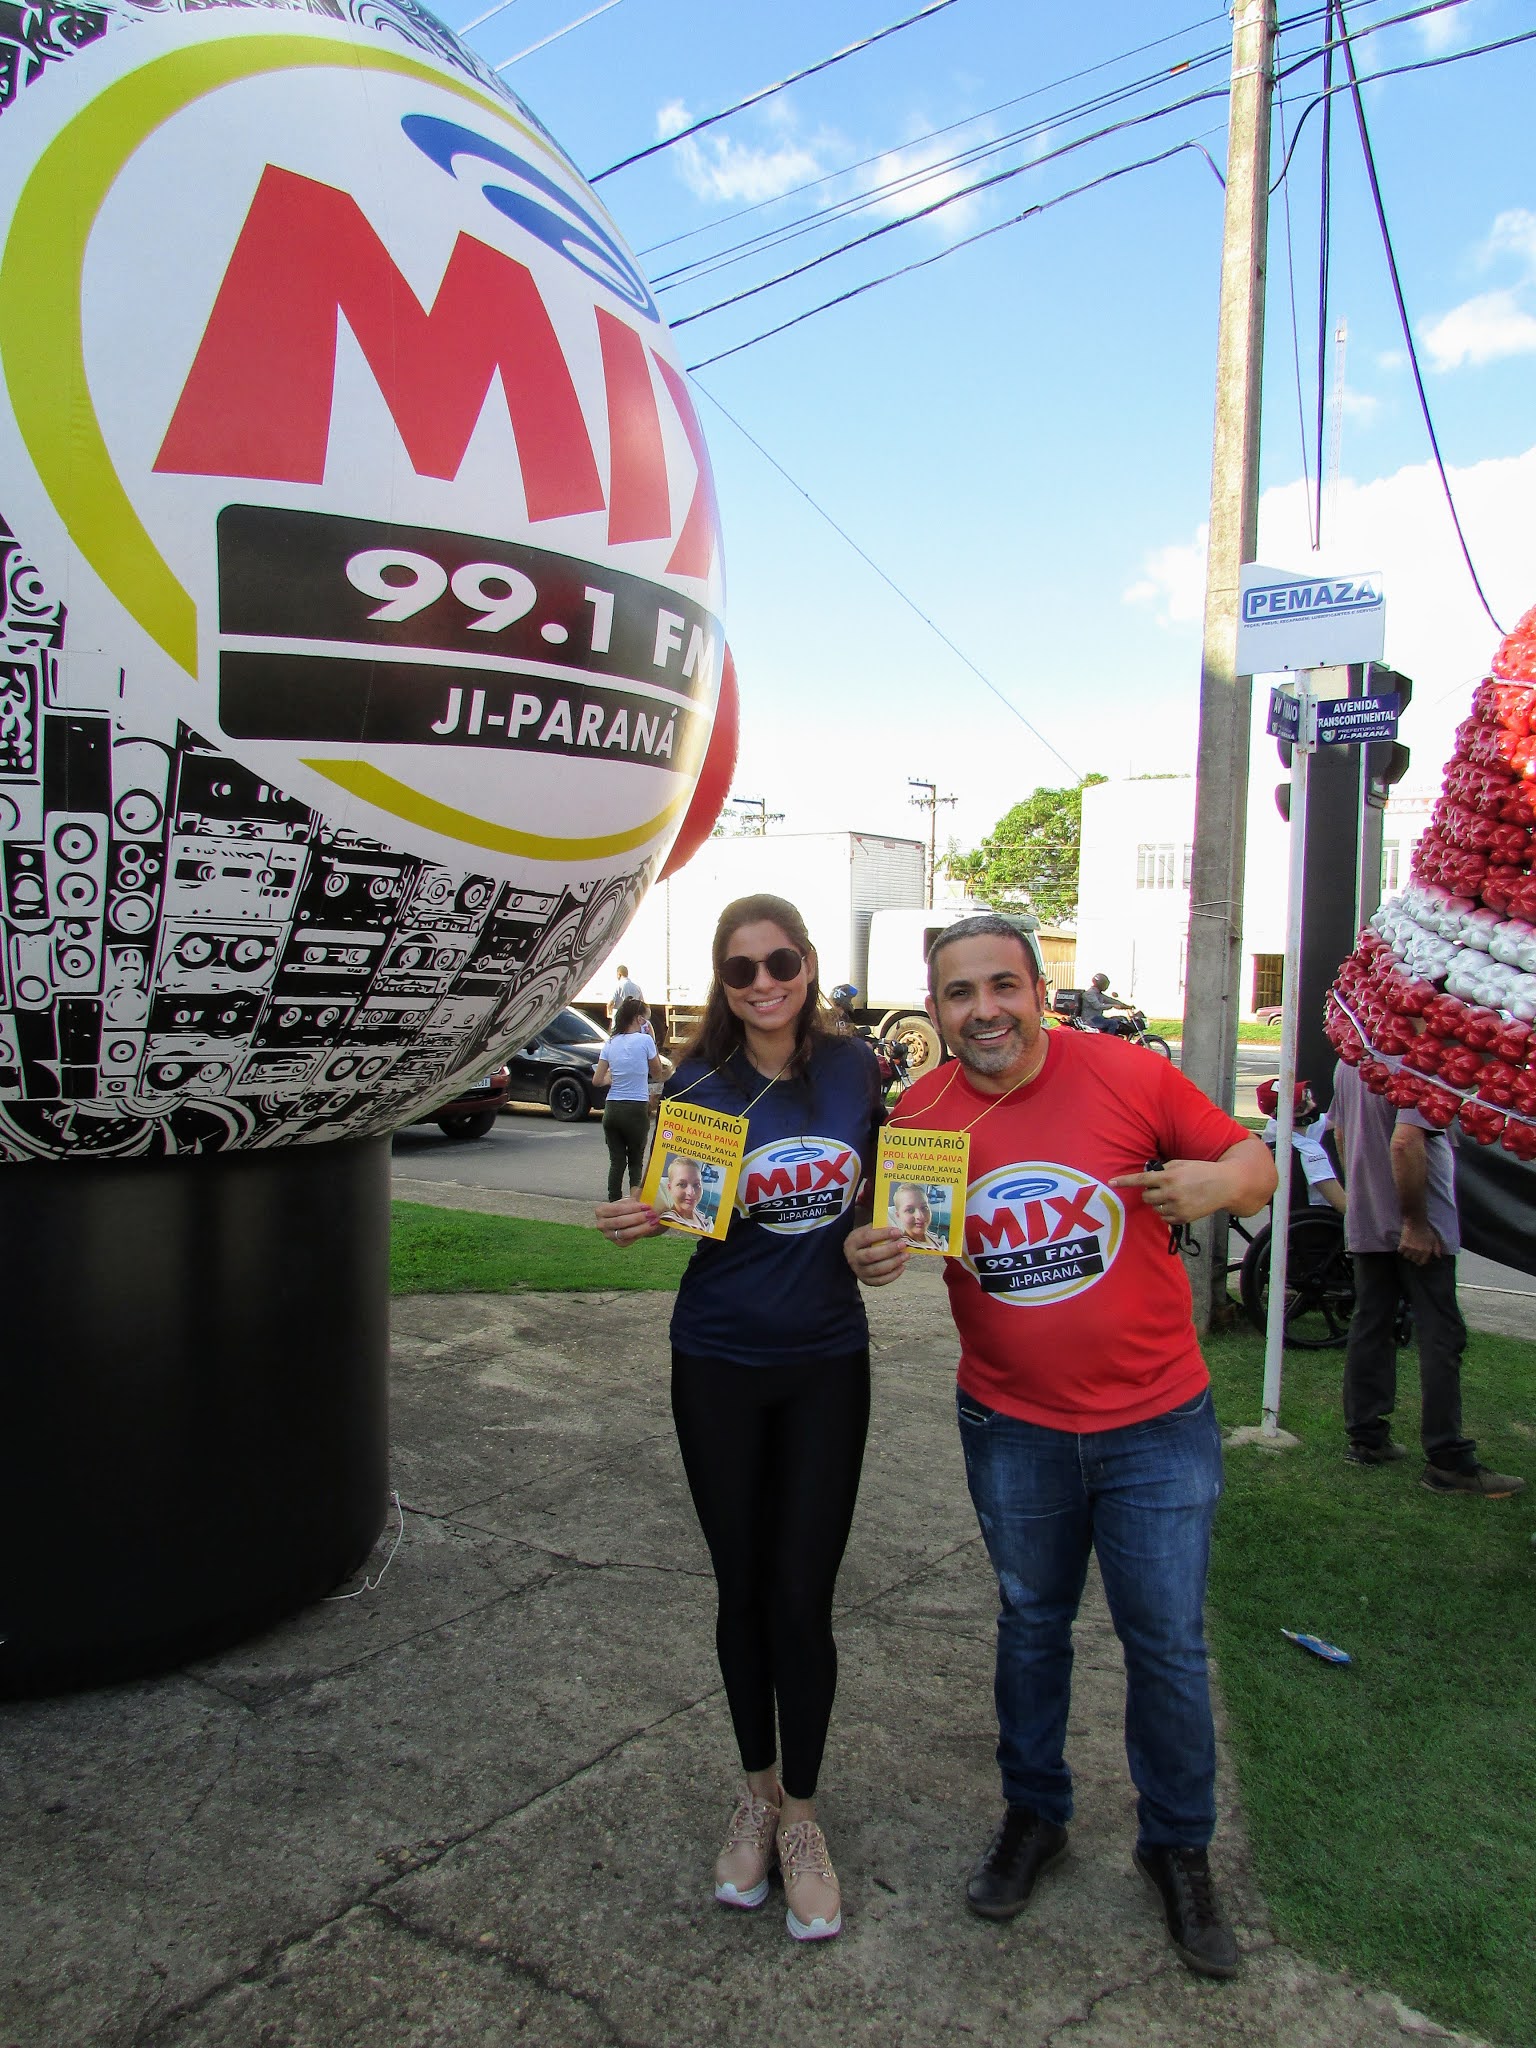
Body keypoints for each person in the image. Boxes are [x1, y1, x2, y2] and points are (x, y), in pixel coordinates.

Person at [844, 913, 1276, 1980]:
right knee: (1032, 1627)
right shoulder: (920, 1114)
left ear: (1040, 991)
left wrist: (1221, 1185)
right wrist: (873, 1253)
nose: (983, 1009)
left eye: (1003, 985)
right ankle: (1035, 1815)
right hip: (1013, 1426)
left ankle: (1177, 1846)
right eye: (959, 992)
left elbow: (1254, 1157)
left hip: (1156, 1422)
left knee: (1165, 1642)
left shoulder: (1129, 1073)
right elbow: (903, 1233)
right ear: (934, 1009)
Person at [595, 894, 885, 1943]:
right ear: (722, 984)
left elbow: (876, 1201)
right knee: (743, 1588)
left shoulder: (856, 1070)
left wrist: (877, 1242)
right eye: (741, 969)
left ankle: (802, 1817)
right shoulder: (699, 1084)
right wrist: (649, 1217)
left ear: (808, 963)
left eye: (781, 962)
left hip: (826, 1363)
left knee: (803, 1596)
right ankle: (755, 1794)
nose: (765, 984)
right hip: (717, 1359)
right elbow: (691, 1208)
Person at [1327, 1059, 1526, 1496]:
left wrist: (1364, 1200)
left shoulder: (1352, 1058)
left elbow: (1340, 1134)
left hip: (1370, 1220)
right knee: (1441, 1335)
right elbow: (1405, 1142)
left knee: (1371, 1326)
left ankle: (1366, 1439)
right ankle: (1448, 1459)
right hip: (1420, 1229)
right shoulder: (1418, 1062)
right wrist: (1415, 1223)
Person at [593, 996, 664, 1204]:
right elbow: (657, 1072)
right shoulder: (645, 1041)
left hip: (612, 1108)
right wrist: (652, 1038)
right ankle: (634, 1204)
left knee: (616, 1162)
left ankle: (613, 1202)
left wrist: (610, 1077)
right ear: (640, 1019)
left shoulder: (611, 1042)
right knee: (635, 1162)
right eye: (646, 1019)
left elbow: (597, 1080)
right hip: (636, 1108)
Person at [1255, 1078, 1345, 1214]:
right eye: (1301, 1107)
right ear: (1284, 1116)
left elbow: (1331, 1120)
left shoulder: (1274, 1129)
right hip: (1319, 1217)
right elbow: (1343, 1205)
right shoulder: (1310, 1152)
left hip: (1289, 1215)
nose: (1312, 1104)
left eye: (1307, 1095)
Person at [655, 1152, 712, 1232]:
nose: (691, 1192)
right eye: (682, 1184)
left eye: (696, 1184)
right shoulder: (671, 1219)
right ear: (670, 1188)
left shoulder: (699, 1215)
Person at [888, 1182, 948, 1250]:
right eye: (910, 1210)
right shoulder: (904, 1245)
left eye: (924, 1207)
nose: (920, 1216)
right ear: (898, 1215)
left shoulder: (933, 1236)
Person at [1080, 971, 1135, 1037]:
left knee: (1118, 1020)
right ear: (1100, 984)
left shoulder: (1098, 994)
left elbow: (1111, 1001)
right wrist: (1113, 1006)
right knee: (1112, 1023)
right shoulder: (1089, 994)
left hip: (1098, 1018)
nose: (1106, 986)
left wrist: (1127, 1006)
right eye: (1105, 984)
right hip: (1090, 1020)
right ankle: (1107, 1040)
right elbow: (1098, 1006)